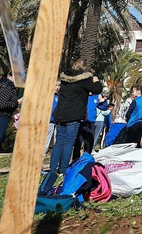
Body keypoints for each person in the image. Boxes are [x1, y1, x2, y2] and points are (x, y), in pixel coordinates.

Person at [43, 63, 102, 193]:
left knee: (59, 142)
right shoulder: (83, 80)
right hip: (73, 115)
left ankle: (53, 168)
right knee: (69, 142)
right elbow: (97, 89)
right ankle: (63, 168)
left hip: (60, 114)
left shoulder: (64, 79)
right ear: (83, 69)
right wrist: (96, 80)